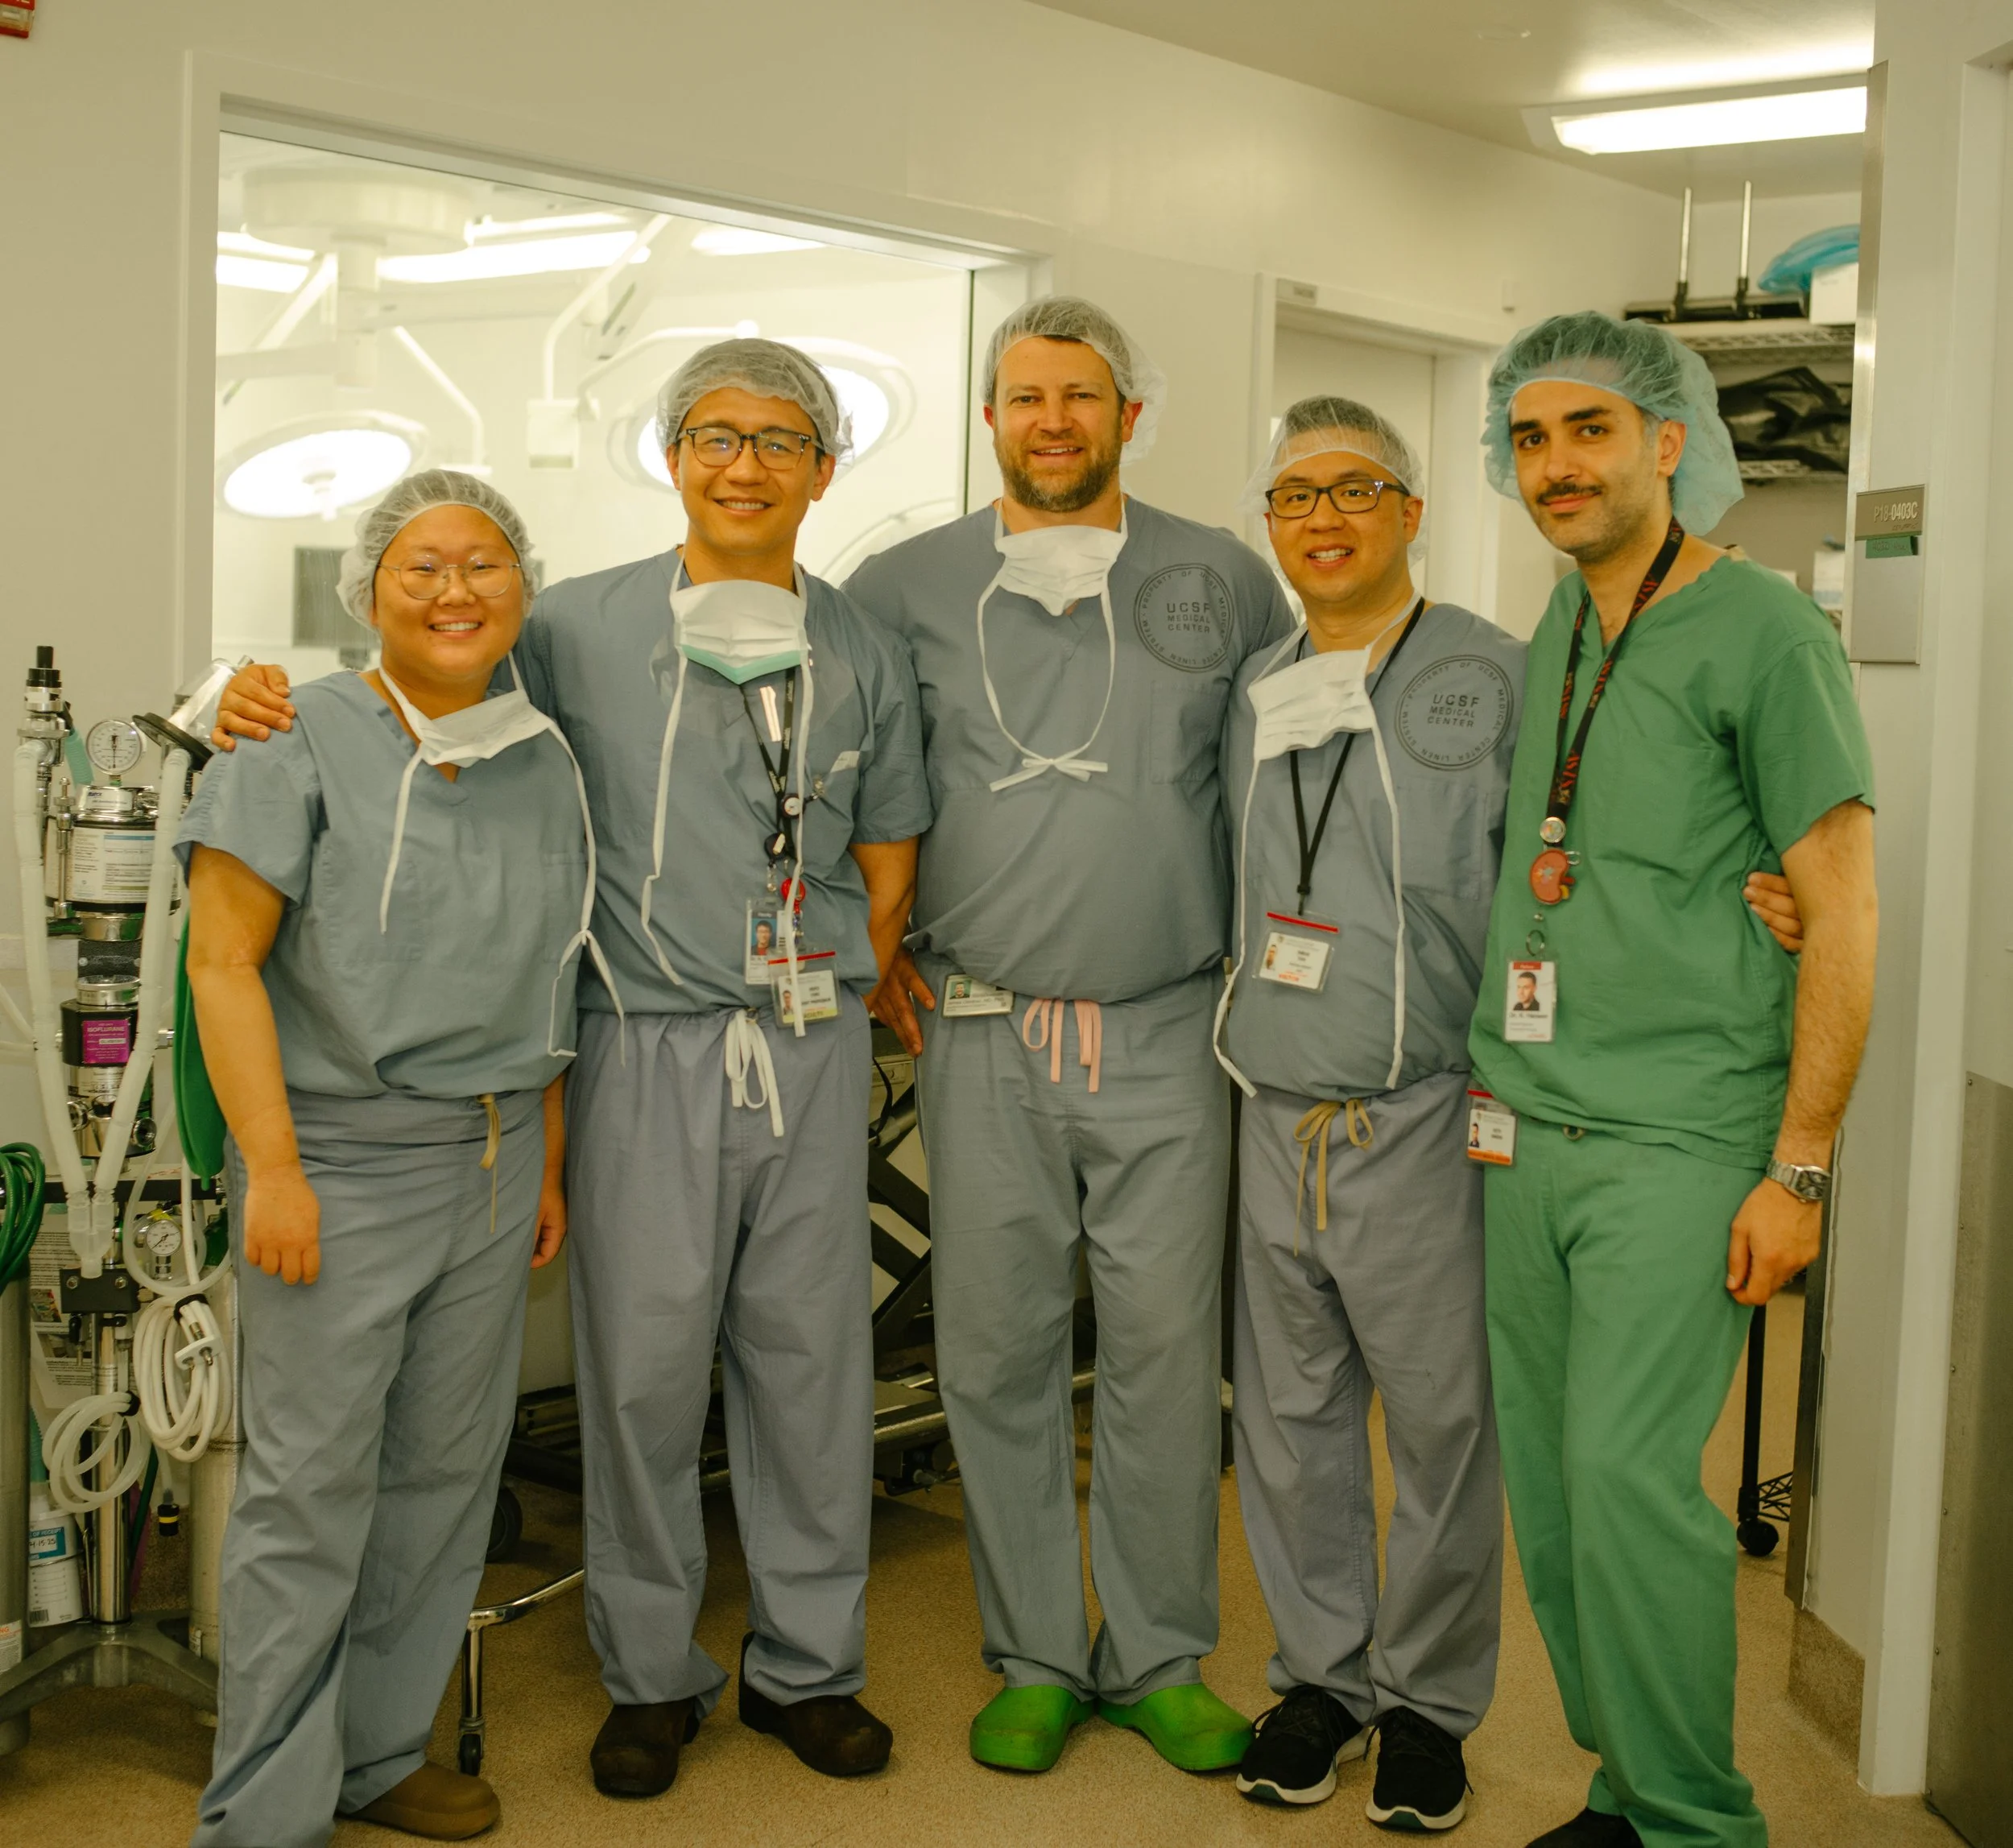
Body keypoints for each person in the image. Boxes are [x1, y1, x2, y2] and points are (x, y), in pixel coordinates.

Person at [213, 341, 931, 1804]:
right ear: (672, 457)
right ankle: (650, 1673)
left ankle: (809, 1663)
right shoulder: (574, 626)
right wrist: (246, 692)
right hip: (636, 1041)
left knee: (813, 1369)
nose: (743, 462)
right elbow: (427, 680)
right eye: (714, 435)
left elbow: (888, 841)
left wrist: (850, 973)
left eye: (779, 440)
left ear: (823, 469)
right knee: (642, 1375)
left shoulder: (865, 647)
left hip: (806, 1040)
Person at [845, 296, 1296, 1776]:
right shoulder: (901, 585)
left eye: (1081, 397)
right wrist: (878, 944)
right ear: (987, 416)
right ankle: (1036, 1650)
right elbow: (852, 783)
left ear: (1127, 415)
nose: (1052, 421)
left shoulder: (1225, 582)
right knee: (995, 1349)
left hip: (1171, 1024)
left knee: (1170, 1353)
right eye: (1024, 396)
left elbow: (1298, 789)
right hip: (979, 1030)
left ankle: (1160, 1651)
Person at [1468, 312, 1877, 1848]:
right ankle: (1629, 1786)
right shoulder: (1565, 623)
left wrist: (1803, 1163)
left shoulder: (1770, 634)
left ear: (1667, 441)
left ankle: (1701, 1826)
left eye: (1587, 431)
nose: (1556, 464)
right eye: (1528, 437)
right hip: (1530, 1126)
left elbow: (1838, 901)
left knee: (1635, 1488)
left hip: (1680, 1134)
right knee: (1564, 1512)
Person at [182, 473, 593, 1845]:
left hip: (491, 1149)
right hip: (339, 1159)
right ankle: (263, 1806)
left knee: (442, 1479)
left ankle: (375, 1753)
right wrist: (277, 1168)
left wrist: (534, 1160)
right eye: (423, 566)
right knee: (310, 1493)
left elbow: (542, 974)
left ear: (522, 587)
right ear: (369, 589)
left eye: (485, 562)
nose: (457, 588)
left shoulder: (542, 754)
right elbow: (222, 963)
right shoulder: (288, 732)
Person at [1214, 399, 1523, 1831]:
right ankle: (1322, 1680)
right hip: (1273, 1103)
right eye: (1293, 498)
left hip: (1425, 1111)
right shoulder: (1257, 683)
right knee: (1290, 1420)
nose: (1322, 519)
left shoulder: (1491, 675)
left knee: (1445, 1425)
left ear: (1411, 511)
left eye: (1354, 490)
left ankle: (1431, 1703)